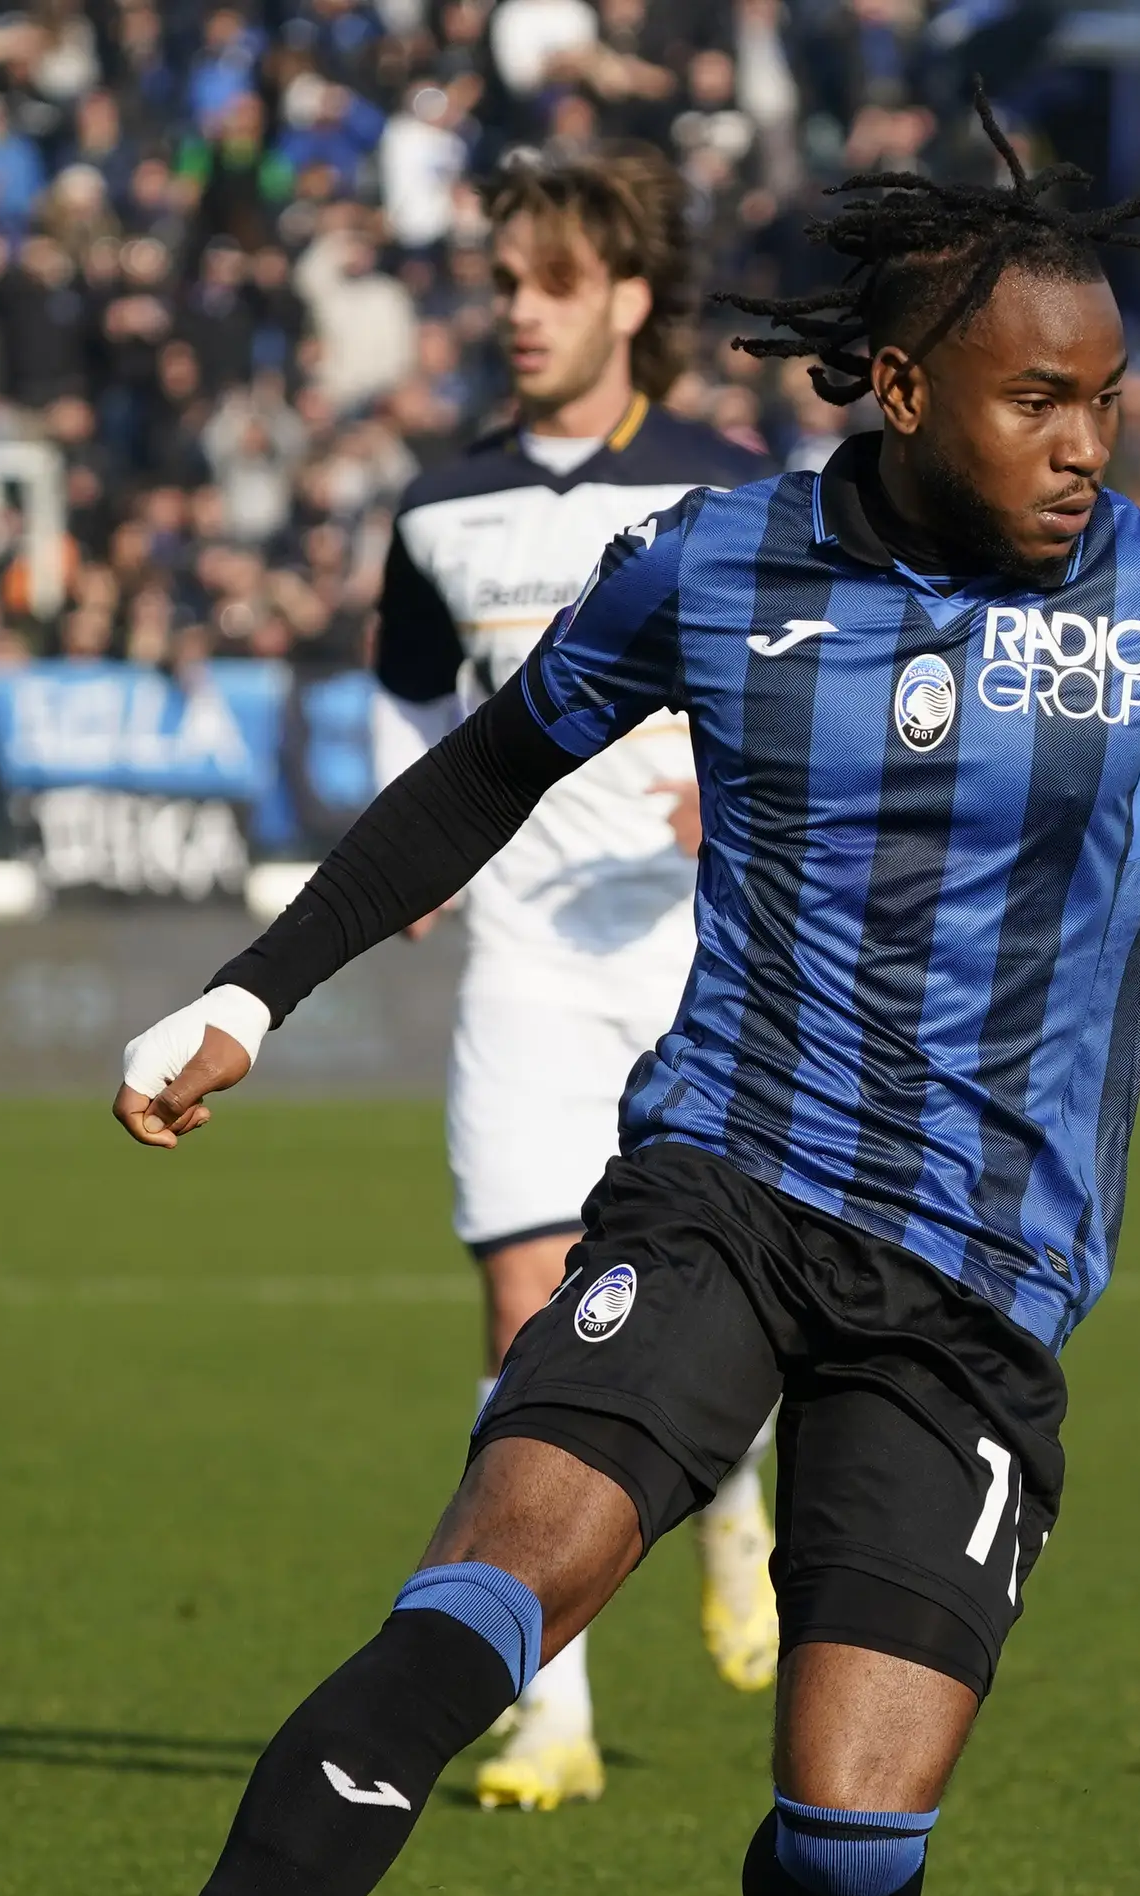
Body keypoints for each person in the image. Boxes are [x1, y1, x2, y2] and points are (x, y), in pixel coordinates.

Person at [0, 92, 1140, 1896]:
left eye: (1107, 396)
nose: (1086, 441)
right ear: (901, 390)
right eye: (1037, 397)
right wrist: (252, 984)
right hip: (721, 1182)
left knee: (850, 1862)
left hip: (981, 1292)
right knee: (473, 1603)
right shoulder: (718, 564)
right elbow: (486, 768)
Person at [369, 146, 784, 1807]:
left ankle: (734, 1505)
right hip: (528, 965)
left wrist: (736, 780)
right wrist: (417, 849)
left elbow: (810, 677)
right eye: (503, 285)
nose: (519, 314)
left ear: (627, 299)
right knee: (528, 1319)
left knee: (728, 1302)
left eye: (550, 284)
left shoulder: (731, 489)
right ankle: (554, 1711)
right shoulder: (438, 508)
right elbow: (410, 709)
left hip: (709, 961)